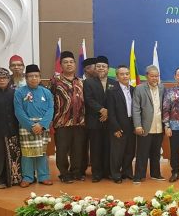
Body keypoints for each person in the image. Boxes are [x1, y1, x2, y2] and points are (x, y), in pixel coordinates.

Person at [14, 64, 54, 187]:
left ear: (40, 78)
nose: (33, 78)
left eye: (36, 76)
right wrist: (31, 125)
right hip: (27, 126)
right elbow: (18, 111)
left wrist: (42, 125)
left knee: (42, 152)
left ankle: (44, 176)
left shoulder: (46, 92)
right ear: (26, 78)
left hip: (42, 126)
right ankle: (28, 177)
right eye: (31, 76)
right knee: (27, 153)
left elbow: (51, 109)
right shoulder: (19, 92)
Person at [50, 50, 85, 183]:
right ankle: (64, 173)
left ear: (75, 65)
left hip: (79, 122)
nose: (69, 64)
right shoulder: (55, 82)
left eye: (71, 62)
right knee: (62, 151)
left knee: (78, 150)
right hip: (62, 122)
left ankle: (76, 172)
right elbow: (50, 102)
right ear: (61, 65)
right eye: (65, 62)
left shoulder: (81, 82)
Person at [83, 55, 117, 182]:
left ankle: (107, 172)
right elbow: (89, 99)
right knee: (96, 147)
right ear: (95, 68)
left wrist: (108, 112)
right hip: (94, 120)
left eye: (104, 66)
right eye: (98, 66)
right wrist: (102, 110)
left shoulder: (114, 83)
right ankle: (96, 173)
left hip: (109, 121)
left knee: (108, 147)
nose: (101, 68)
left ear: (108, 69)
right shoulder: (88, 82)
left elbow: (116, 101)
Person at [133, 65, 166, 183]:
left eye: (157, 76)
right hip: (145, 126)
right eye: (152, 76)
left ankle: (155, 174)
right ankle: (139, 175)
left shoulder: (162, 88)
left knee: (156, 153)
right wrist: (137, 125)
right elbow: (136, 108)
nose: (154, 78)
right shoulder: (139, 89)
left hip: (159, 126)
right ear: (147, 76)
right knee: (142, 153)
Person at [107, 65, 135, 184]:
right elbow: (111, 112)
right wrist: (115, 128)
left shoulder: (134, 89)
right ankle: (116, 174)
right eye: (122, 74)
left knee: (130, 150)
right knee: (117, 152)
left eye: (127, 74)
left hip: (131, 124)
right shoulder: (112, 91)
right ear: (117, 76)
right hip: (118, 125)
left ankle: (127, 172)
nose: (125, 76)